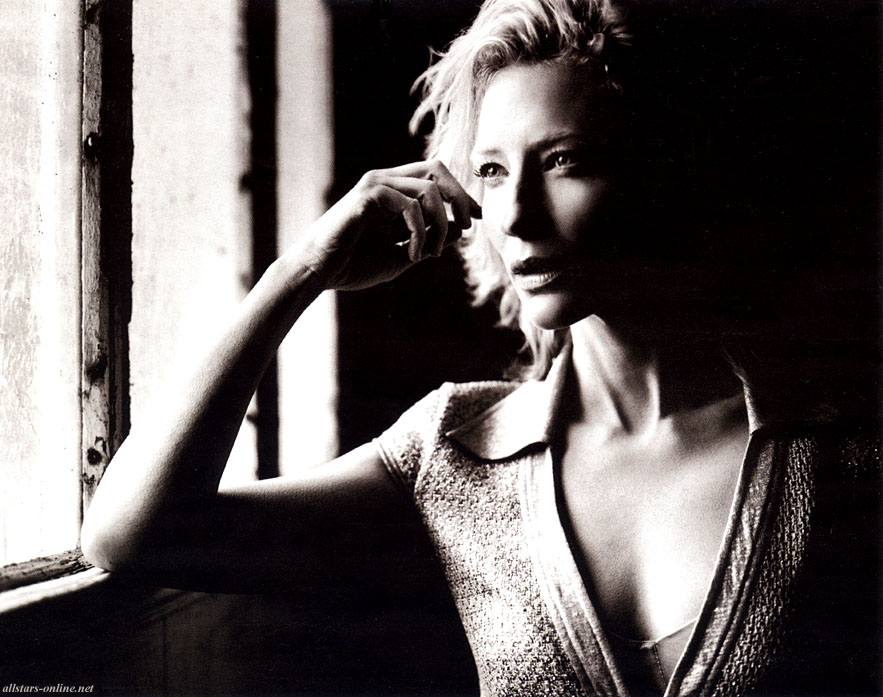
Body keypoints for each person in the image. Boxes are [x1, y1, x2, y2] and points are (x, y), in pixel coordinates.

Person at [82, 0, 881, 695]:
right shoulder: (452, 452)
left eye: (563, 161)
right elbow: (131, 535)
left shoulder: (844, 448)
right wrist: (297, 274)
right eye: (491, 172)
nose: (517, 214)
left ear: (662, 169)